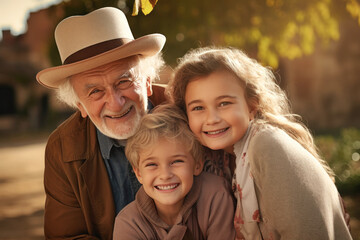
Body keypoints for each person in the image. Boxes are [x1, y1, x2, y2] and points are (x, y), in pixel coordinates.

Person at [167, 46, 353, 239]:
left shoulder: (267, 146)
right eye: (198, 107)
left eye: (224, 103)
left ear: (252, 106)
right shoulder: (224, 160)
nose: (211, 118)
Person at [36, 7, 167, 239]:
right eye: (95, 91)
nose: (115, 103)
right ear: (80, 106)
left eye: (124, 81)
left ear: (147, 81)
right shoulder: (62, 149)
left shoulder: (192, 111)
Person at [113, 104, 236, 240]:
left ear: (197, 164)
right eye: (152, 164)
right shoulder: (129, 223)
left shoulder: (216, 196)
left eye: (176, 162)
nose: (165, 175)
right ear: (139, 174)